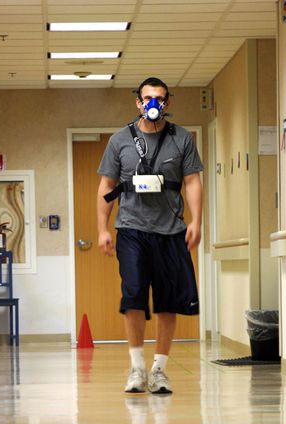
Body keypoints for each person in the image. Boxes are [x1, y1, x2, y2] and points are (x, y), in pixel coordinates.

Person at [97, 76, 203, 394]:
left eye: (158, 98)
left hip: (171, 230)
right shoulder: (120, 141)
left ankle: (159, 370)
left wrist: (196, 220)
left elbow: (193, 181)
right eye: (147, 98)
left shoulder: (181, 138)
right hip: (131, 229)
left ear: (166, 103)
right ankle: (137, 369)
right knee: (133, 296)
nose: (152, 103)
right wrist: (103, 228)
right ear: (138, 102)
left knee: (168, 302)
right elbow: (106, 187)